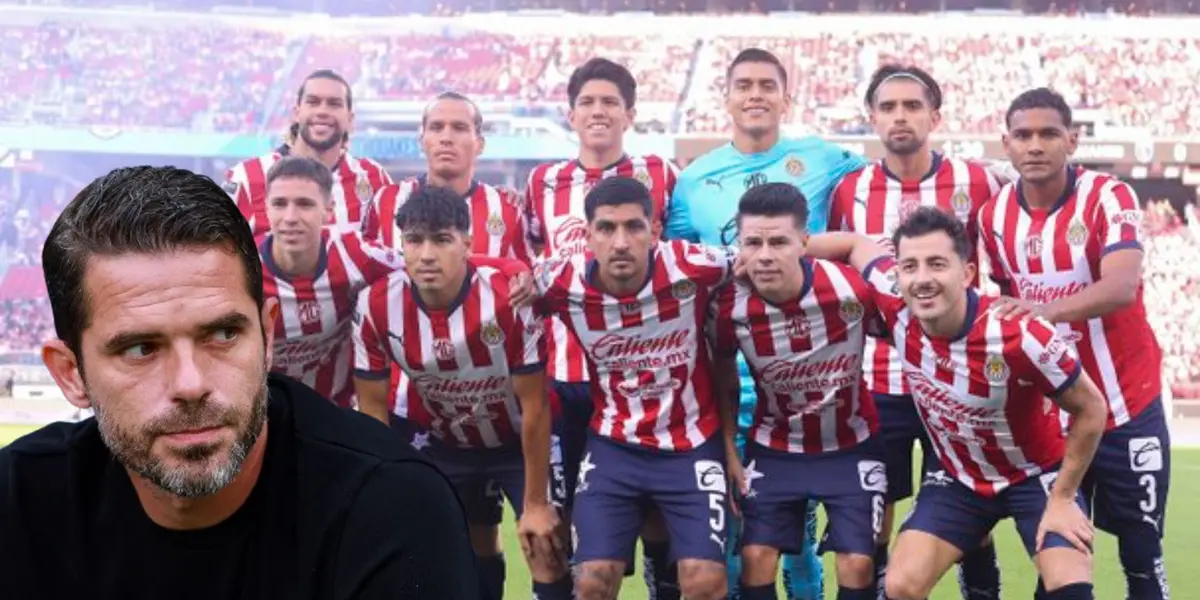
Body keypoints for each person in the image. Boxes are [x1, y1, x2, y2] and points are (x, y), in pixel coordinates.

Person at [0, 166, 478, 599]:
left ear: (268, 337)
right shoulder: (18, 504)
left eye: (224, 334)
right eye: (140, 349)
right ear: (70, 373)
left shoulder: (392, 509)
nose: (191, 384)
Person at [667, 46, 867, 600]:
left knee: (799, 545)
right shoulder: (695, 180)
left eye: (766, 85)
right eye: (744, 85)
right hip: (728, 374)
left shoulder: (825, 158)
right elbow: (682, 271)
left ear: (785, 97)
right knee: (734, 539)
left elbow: (884, 190)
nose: (755, 94)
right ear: (726, 97)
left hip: (808, 380)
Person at [834, 207, 1106, 600]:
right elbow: (856, 247)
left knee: (1070, 588)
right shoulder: (896, 309)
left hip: (1035, 475)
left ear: (967, 273)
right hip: (958, 479)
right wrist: (788, 250)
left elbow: (1091, 407)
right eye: (909, 266)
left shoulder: (1019, 333)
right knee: (899, 585)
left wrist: (1063, 498)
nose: (922, 279)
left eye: (937, 264)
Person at [978, 88, 1171, 600]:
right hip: (1054, 418)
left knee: (1142, 562)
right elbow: (1004, 304)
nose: (1035, 145)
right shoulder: (993, 217)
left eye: (1048, 134)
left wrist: (1043, 310)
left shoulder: (1109, 196)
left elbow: (1121, 286)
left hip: (1127, 407)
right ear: (1006, 143)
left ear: (1072, 139)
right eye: (1023, 135)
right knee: (1057, 567)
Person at [828, 64, 1004, 600]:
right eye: (888, 107)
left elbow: (996, 266)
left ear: (935, 115)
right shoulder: (851, 188)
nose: (900, 116)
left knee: (971, 514)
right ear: (872, 118)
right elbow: (841, 274)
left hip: (958, 382)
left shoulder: (978, 181)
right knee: (874, 517)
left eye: (911, 105)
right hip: (881, 384)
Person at [352, 185, 572, 600]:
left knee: (546, 545)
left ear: (467, 244)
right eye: (415, 241)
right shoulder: (376, 306)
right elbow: (374, 416)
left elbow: (535, 407)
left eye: (442, 239)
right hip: (445, 442)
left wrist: (537, 503)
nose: (427, 254)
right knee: (456, 548)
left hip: (519, 441)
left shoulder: (509, 296)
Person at [360, 91, 538, 593]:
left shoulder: (505, 207)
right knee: (431, 534)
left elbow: (521, 284)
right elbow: (379, 277)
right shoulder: (387, 203)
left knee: (489, 531)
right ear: (421, 138)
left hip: (493, 395)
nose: (446, 137)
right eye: (436, 126)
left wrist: (514, 269)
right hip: (417, 405)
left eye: (459, 128)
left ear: (479, 141)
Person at [523, 56, 680, 597]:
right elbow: (532, 272)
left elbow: (678, 260)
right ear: (570, 114)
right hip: (566, 379)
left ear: (630, 113)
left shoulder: (660, 175)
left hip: (645, 380)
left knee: (658, 518)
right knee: (560, 524)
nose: (598, 111)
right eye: (587, 101)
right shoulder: (542, 182)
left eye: (610, 101)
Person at [533, 176, 732, 600]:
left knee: (704, 581)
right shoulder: (561, 283)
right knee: (592, 581)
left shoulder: (694, 265)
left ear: (655, 231)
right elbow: (500, 280)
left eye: (634, 227)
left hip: (691, 447)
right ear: (587, 236)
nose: (620, 242)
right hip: (614, 447)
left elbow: (767, 253)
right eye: (606, 228)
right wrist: (516, 282)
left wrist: (857, 251)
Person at [710, 183, 888, 600]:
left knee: (857, 563)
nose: (766, 254)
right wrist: (730, 451)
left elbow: (909, 331)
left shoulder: (852, 290)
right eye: (753, 242)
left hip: (852, 445)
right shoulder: (729, 305)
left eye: (779, 242)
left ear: (804, 242)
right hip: (775, 447)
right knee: (755, 558)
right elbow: (723, 376)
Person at [225, 69, 392, 240]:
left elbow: (390, 255)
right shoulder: (245, 177)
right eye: (313, 102)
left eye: (334, 104)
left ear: (350, 119)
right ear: (296, 113)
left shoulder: (373, 177)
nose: (322, 111)